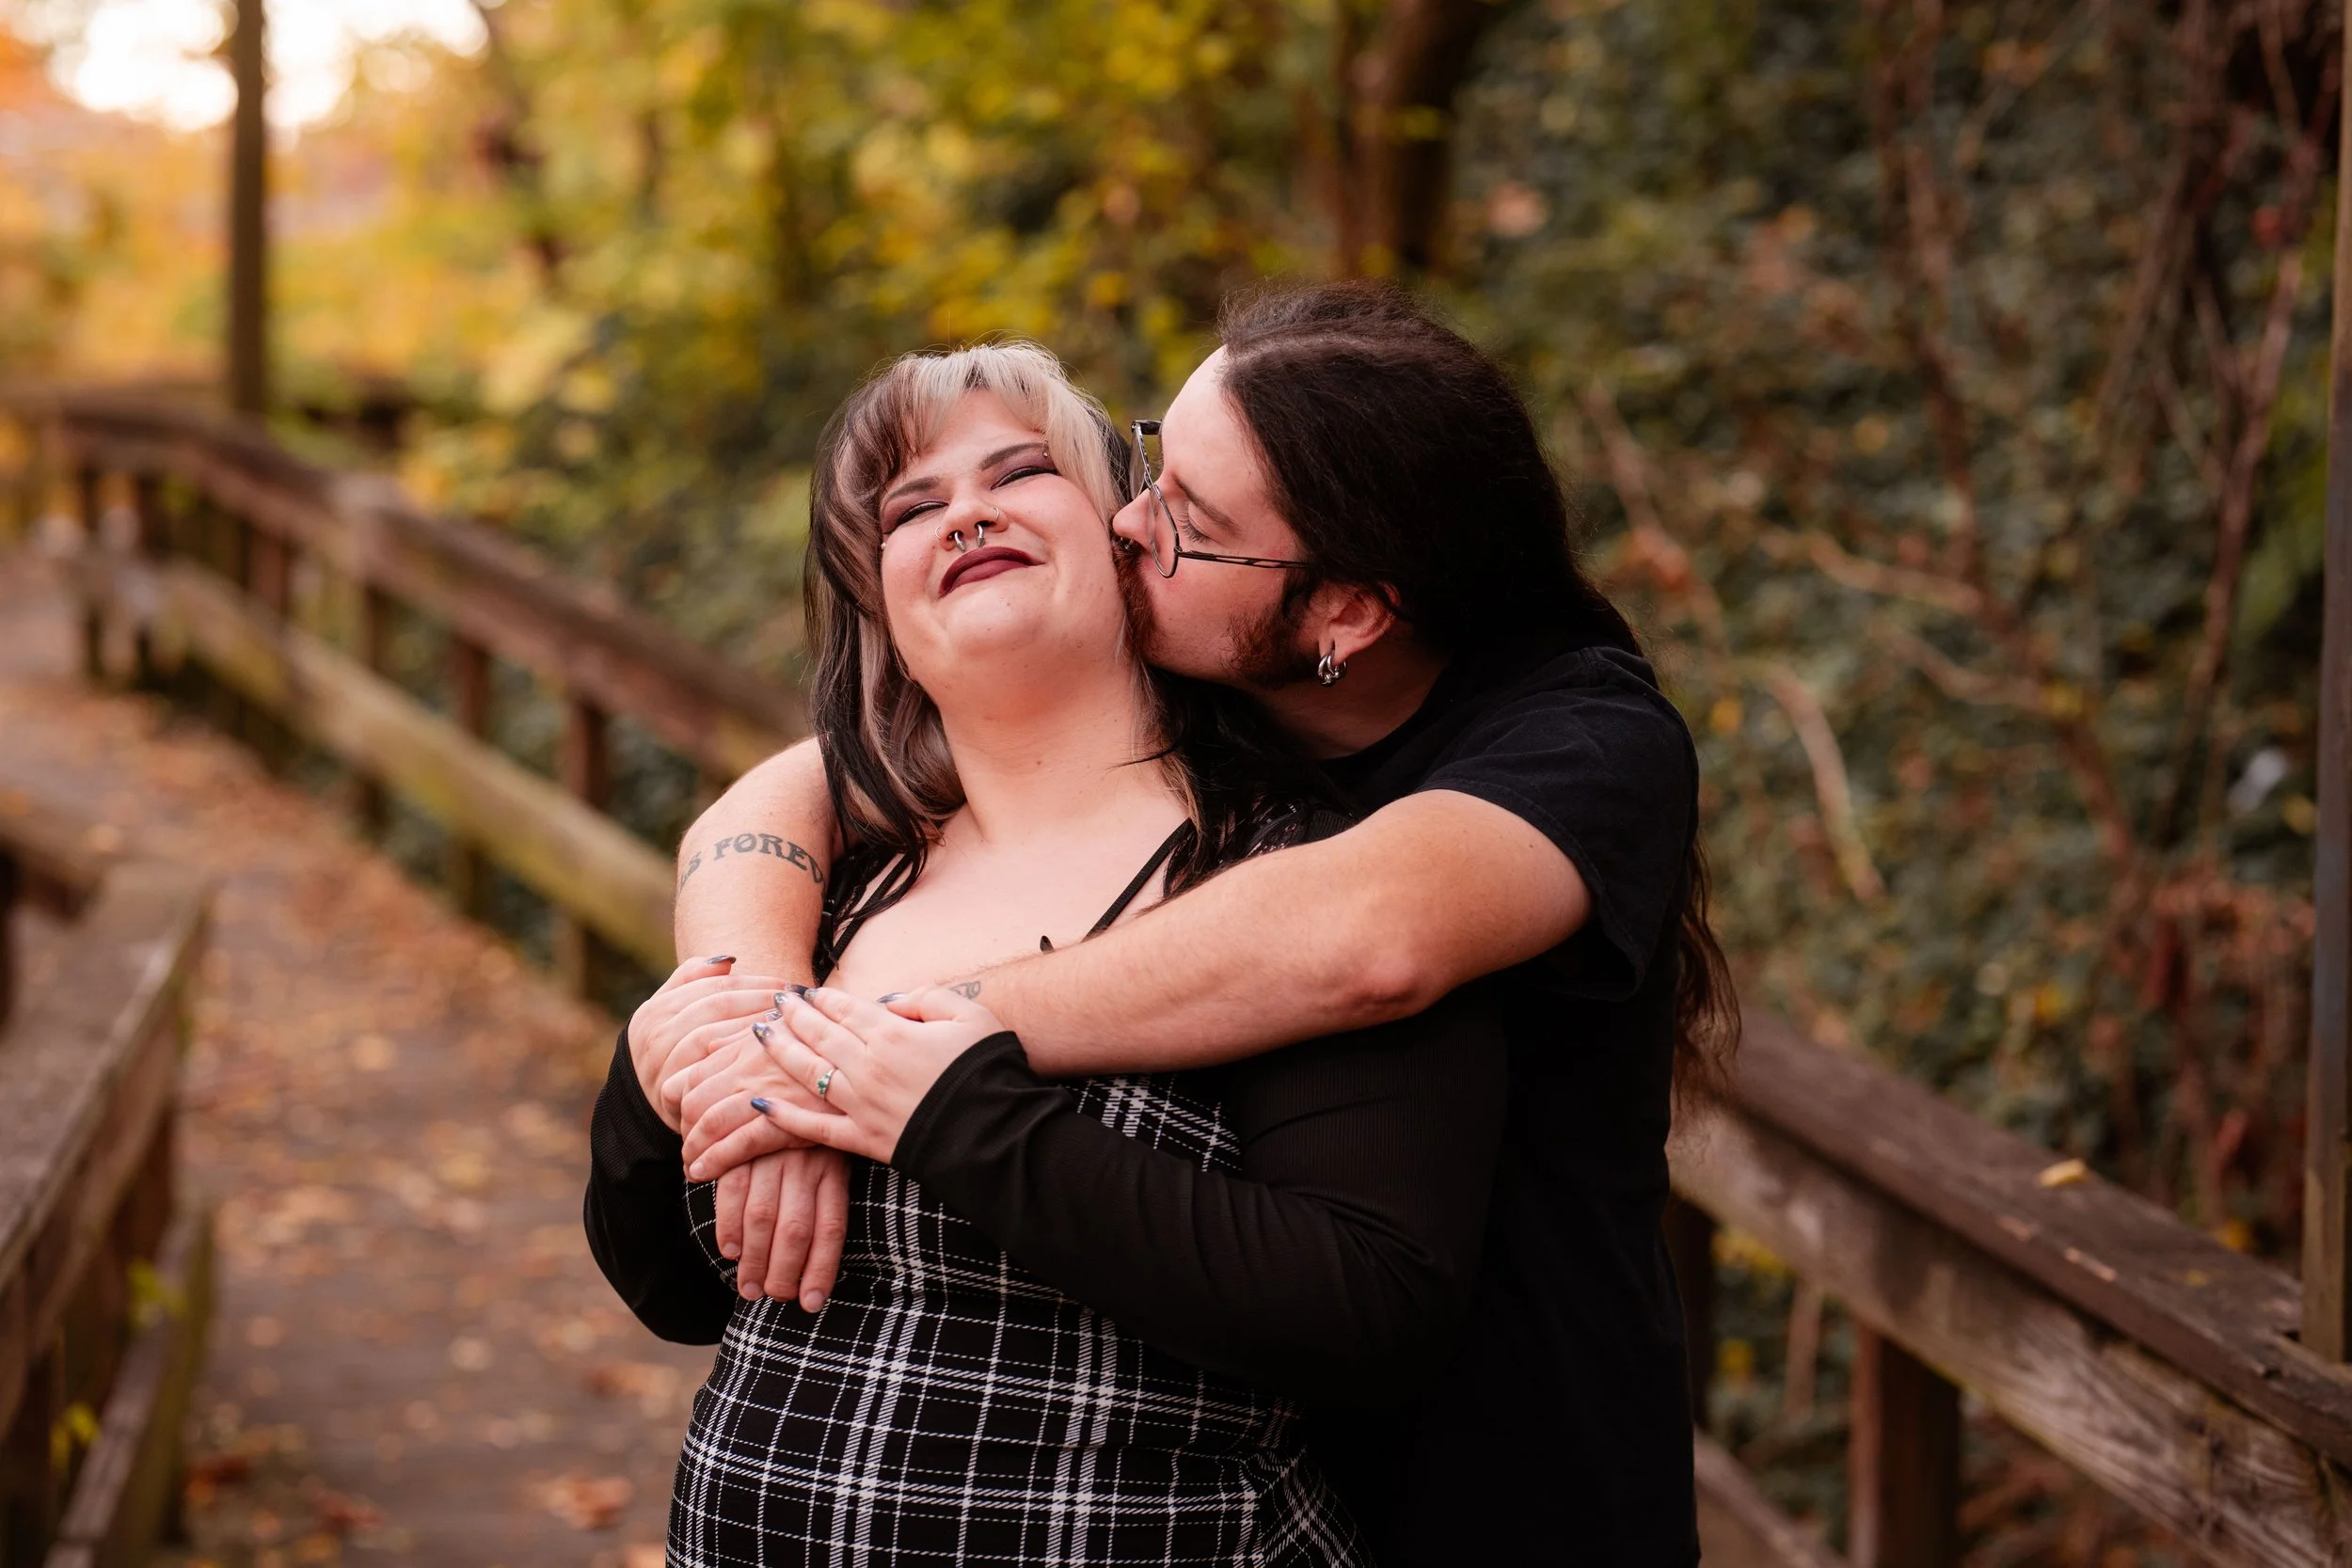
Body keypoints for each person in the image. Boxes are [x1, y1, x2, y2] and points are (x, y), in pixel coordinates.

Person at [644, 280, 1734, 1565]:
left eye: (1189, 520)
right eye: (1154, 459)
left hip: (1504, 1483)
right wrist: (753, 999)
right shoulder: (1215, 658)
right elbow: (795, 783)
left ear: (1346, 614)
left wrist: (898, 1048)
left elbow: (1364, 938)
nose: (1125, 519)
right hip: (1252, 1466)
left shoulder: (1585, 740)